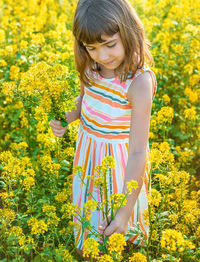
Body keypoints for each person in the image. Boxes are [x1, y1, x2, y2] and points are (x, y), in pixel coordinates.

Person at [50, 0, 157, 258]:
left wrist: (124, 211)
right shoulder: (90, 66)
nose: (103, 56)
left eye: (110, 44)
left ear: (129, 32)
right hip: (88, 158)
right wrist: (71, 117)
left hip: (120, 165)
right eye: (92, 48)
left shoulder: (139, 82)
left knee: (116, 229)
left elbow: (138, 152)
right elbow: (84, 98)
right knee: (89, 227)